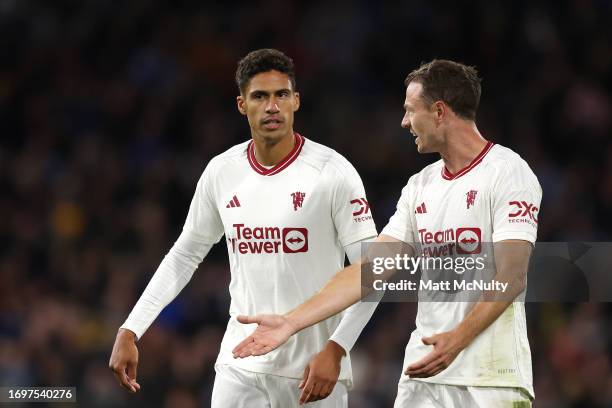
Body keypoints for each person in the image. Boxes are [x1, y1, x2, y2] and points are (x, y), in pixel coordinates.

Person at [232, 59, 542, 407]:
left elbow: (512, 276)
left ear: (439, 111)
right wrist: (291, 322)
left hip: (489, 378)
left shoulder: (508, 173)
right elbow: (369, 270)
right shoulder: (419, 186)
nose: (405, 122)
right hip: (423, 373)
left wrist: (457, 340)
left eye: (411, 111)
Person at [108, 48, 379, 407]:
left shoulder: (332, 171)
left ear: (296, 101)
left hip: (312, 371)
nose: (272, 106)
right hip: (239, 367)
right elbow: (185, 255)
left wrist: (337, 347)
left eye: (281, 95)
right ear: (241, 104)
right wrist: (131, 327)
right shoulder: (222, 172)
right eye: (260, 96)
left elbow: (375, 269)